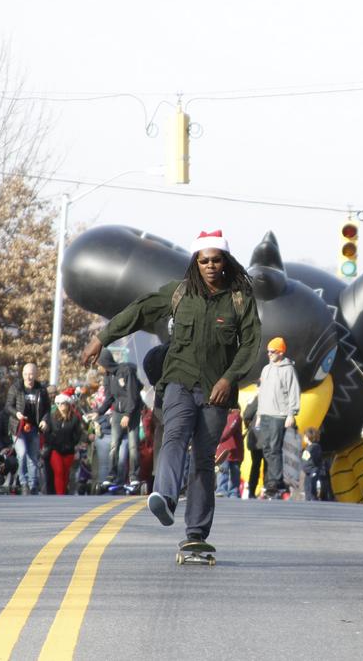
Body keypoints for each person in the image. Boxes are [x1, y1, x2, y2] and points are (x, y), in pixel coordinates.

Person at [81, 229, 261, 549]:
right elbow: (139, 310)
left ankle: (196, 533)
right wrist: (101, 338)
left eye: (215, 260)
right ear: (195, 261)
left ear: (225, 261)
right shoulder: (178, 293)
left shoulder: (239, 299)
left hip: (215, 392)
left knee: (204, 459)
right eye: (203, 260)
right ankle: (164, 496)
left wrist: (228, 379)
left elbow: (250, 346)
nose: (209, 266)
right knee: (175, 436)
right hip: (178, 381)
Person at [255, 336, 300, 498]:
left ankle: (274, 482)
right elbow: (262, 394)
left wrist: (291, 414)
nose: (269, 354)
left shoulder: (288, 370)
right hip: (265, 414)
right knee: (266, 448)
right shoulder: (266, 369)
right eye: (268, 351)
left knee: (274, 448)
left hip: (279, 415)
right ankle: (274, 481)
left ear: (281, 352)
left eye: (272, 351)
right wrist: (259, 415)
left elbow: (294, 392)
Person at [95, 349, 144, 489]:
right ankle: (112, 475)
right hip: (117, 412)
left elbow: (133, 394)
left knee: (133, 445)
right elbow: (110, 398)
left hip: (132, 412)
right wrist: (99, 412)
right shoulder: (108, 377)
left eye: (99, 365)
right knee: (114, 445)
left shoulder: (126, 371)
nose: (98, 368)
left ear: (105, 363)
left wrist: (128, 414)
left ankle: (134, 476)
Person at [5, 363, 51, 495]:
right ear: (22, 374)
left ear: (36, 374)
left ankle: (33, 484)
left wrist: (44, 420)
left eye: (31, 374)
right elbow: (8, 406)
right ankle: (23, 482)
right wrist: (16, 414)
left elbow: (47, 408)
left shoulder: (41, 389)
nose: (28, 377)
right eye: (26, 374)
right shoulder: (16, 388)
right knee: (22, 453)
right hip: (18, 427)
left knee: (33, 457)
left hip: (34, 428)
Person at [43, 394, 85, 495]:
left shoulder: (75, 418)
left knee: (65, 474)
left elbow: (78, 433)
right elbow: (46, 432)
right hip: (55, 449)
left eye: (62, 403)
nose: (60, 406)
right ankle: (59, 495)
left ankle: (63, 492)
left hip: (68, 450)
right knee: (59, 471)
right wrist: (51, 442)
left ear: (68, 404)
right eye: (58, 404)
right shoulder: (52, 417)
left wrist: (73, 444)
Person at [215, 407, 244, 498]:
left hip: (234, 449)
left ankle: (233, 492)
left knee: (234, 472)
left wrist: (218, 439)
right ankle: (222, 490)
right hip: (224, 449)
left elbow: (229, 430)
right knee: (223, 471)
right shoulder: (221, 414)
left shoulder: (235, 416)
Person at [242, 393, 263, 499]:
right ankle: (268, 490)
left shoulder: (259, 398)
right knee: (270, 465)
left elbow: (247, 415)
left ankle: (251, 491)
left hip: (257, 438)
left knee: (255, 465)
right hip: (272, 436)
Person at [301, 426, 330, 501]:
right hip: (308, 471)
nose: (303, 438)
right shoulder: (308, 447)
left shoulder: (314, 447)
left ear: (308, 437)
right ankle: (308, 499)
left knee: (311, 486)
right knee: (307, 486)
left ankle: (313, 499)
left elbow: (316, 459)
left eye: (305, 436)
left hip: (313, 470)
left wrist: (316, 468)